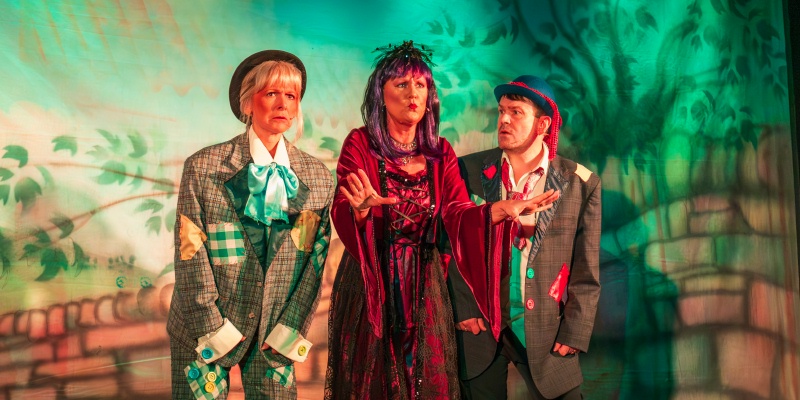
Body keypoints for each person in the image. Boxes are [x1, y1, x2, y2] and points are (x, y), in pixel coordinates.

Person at [324, 41, 560, 399]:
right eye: (401, 84)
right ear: (381, 94)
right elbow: (344, 204)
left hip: (425, 284)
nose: (413, 94)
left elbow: (457, 213)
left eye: (420, 85)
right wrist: (358, 211)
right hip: (375, 281)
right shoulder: (360, 143)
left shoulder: (440, 152)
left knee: (427, 383)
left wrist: (500, 209)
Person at [167, 50, 335, 399]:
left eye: (291, 96)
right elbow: (190, 251)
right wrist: (211, 328)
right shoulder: (203, 167)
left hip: (274, 331)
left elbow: (312, 262)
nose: (283, 104)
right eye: (271, 93)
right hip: (204, 325)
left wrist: (290, 327)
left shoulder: (318, 177)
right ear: (247, 103)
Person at [447, 75, 602, 399]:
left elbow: (586, 270)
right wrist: (464, 308)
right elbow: (450, 242)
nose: (503, 120)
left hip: (546, 330)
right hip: (481, 328)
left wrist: (575, 329)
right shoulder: (467, 171)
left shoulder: (580, 183)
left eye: (516, 112)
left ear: (543, 124)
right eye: (501, 111)